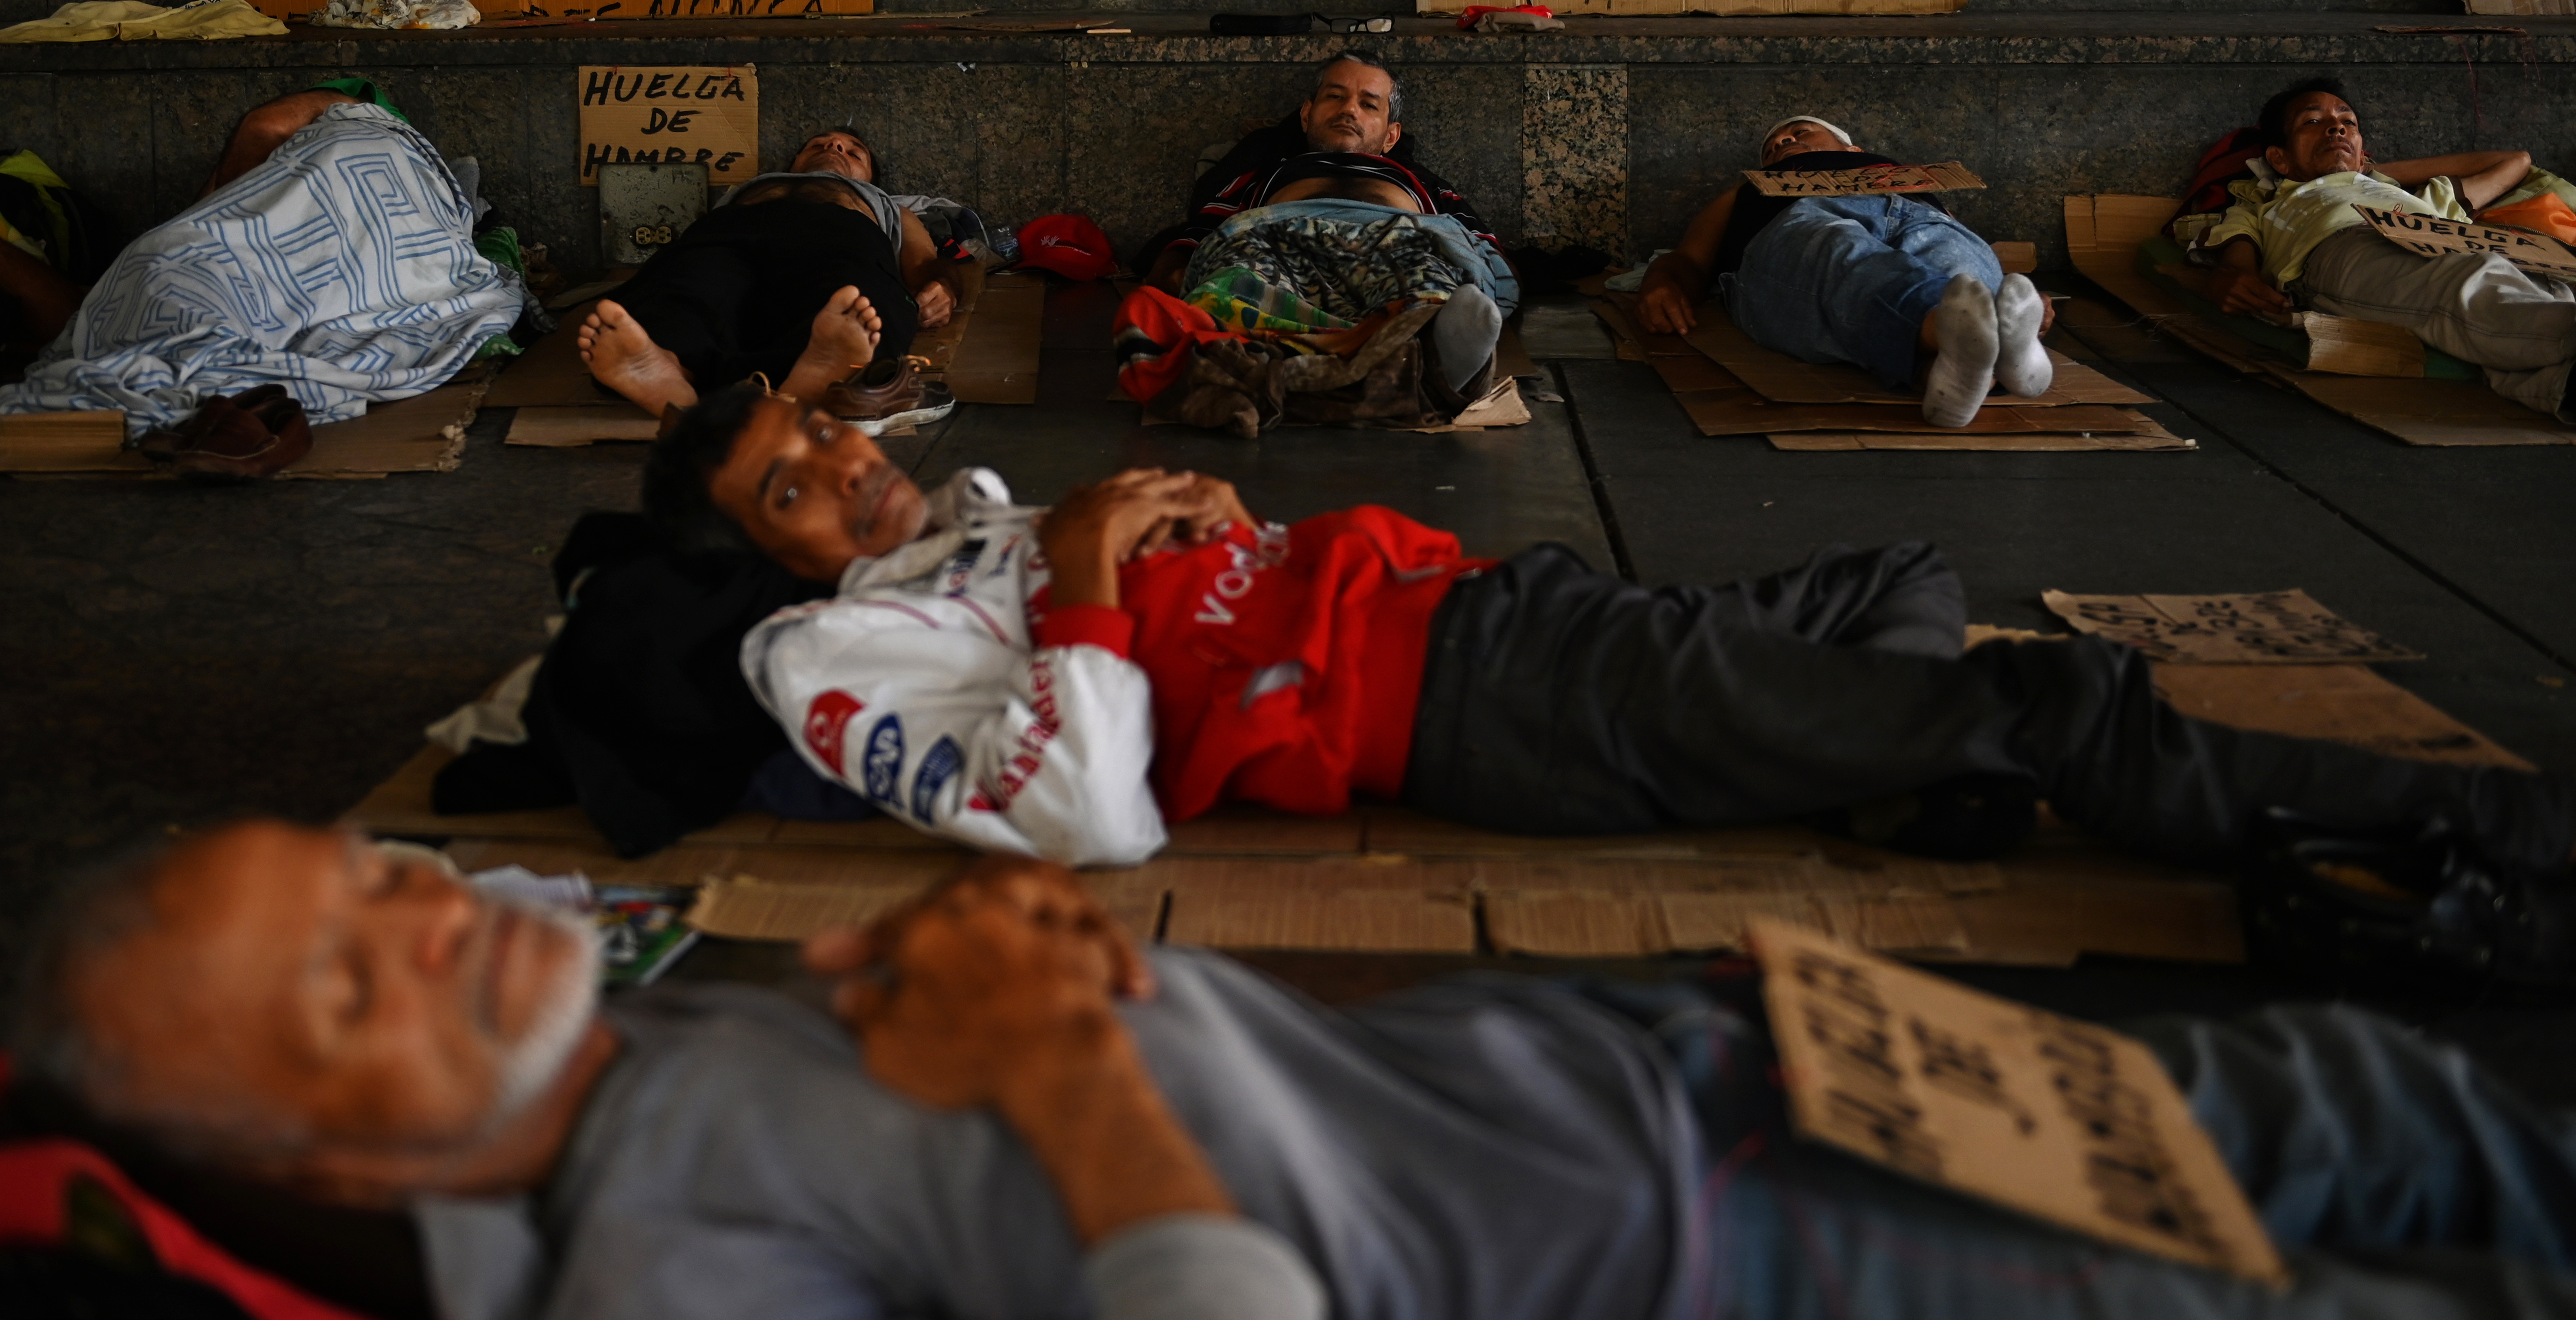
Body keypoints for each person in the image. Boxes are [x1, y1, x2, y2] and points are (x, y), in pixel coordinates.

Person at [27, 834, 2576, 1320]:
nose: (427, 916)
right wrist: (1060, 1066)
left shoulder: (615, 1025)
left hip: (1687, 1059)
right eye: (348, 986)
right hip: (1727, 1247)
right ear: (317, 1144)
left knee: (2369, 1095)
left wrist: (987, 934)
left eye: (360, 873)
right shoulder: (656, 1269)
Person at [635, 382, 2571, 886]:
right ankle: (2500, 842)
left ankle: (1910, 779)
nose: (838, 470)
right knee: (2053, 694)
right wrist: (1085, 572)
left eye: (818, 434)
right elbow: (1094, 821)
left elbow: (1145, 596)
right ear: (774, 572)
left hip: (1502, 605)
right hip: (1483, 696)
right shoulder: (824, 668)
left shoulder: (957, 520)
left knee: (1894, 572)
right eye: (791, 493)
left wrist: (1187, 528)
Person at [0, 86, 523, 445]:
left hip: (196, 260)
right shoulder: (381, 147)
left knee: (174, 270)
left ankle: (182, 352)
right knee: (185, 273)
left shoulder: (348, 120)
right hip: (349, 226)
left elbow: (261, 131)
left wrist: (199, 214)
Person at [2172, 78, 2574, 421]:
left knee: (2548, 287)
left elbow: (2516, 161)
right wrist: (2229, 279)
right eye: (2313, 122)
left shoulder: (2407, 194)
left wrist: (2369, 173)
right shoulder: (2263, 204)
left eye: (2348, 123)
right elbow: (2236, 267)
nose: (2336, 129)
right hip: (2344, 250)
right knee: (2465, 283)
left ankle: (2564, 386)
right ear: (2279, 158)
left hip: (2443, 238)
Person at [1636, 115, 2053, 428]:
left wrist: (2020, 295)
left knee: (1956, 259)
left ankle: (1949, 377)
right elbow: (1690, 259)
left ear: (1852, 151)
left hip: (1918, 216)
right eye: (1773, 148)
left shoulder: (1909, 179)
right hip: (1801, 227)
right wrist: (1661, 281)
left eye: (1800, 133)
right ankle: (1981, 338)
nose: (1783, 141)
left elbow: (1966, 244)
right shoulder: (1749, 191)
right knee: (1840, 252)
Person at [575, 127, 964, 433]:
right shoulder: (744, 191)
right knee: (685, 285)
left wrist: (944, 289)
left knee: (847, 294)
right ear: (795, 162)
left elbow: (926, 261)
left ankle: (815, 370)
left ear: (871, 176)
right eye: (819, 144)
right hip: (727, 231)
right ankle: (669, 369)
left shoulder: (887, 206)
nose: (835, 148)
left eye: (853, 151)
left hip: (837, 233)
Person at [1138, 53, 1495, 293]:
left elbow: (1482, 246)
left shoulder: (1421, 182)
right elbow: (1200, 235)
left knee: (1429, 282)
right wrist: (1167, 283)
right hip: (1278, 259)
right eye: (1335, 97)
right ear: (1306, 115)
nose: (1349, 110)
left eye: (1368, 104)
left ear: (1391, 136)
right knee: (1239, 281)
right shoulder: (1265, 175)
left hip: (1395, 256)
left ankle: (1429, 325)